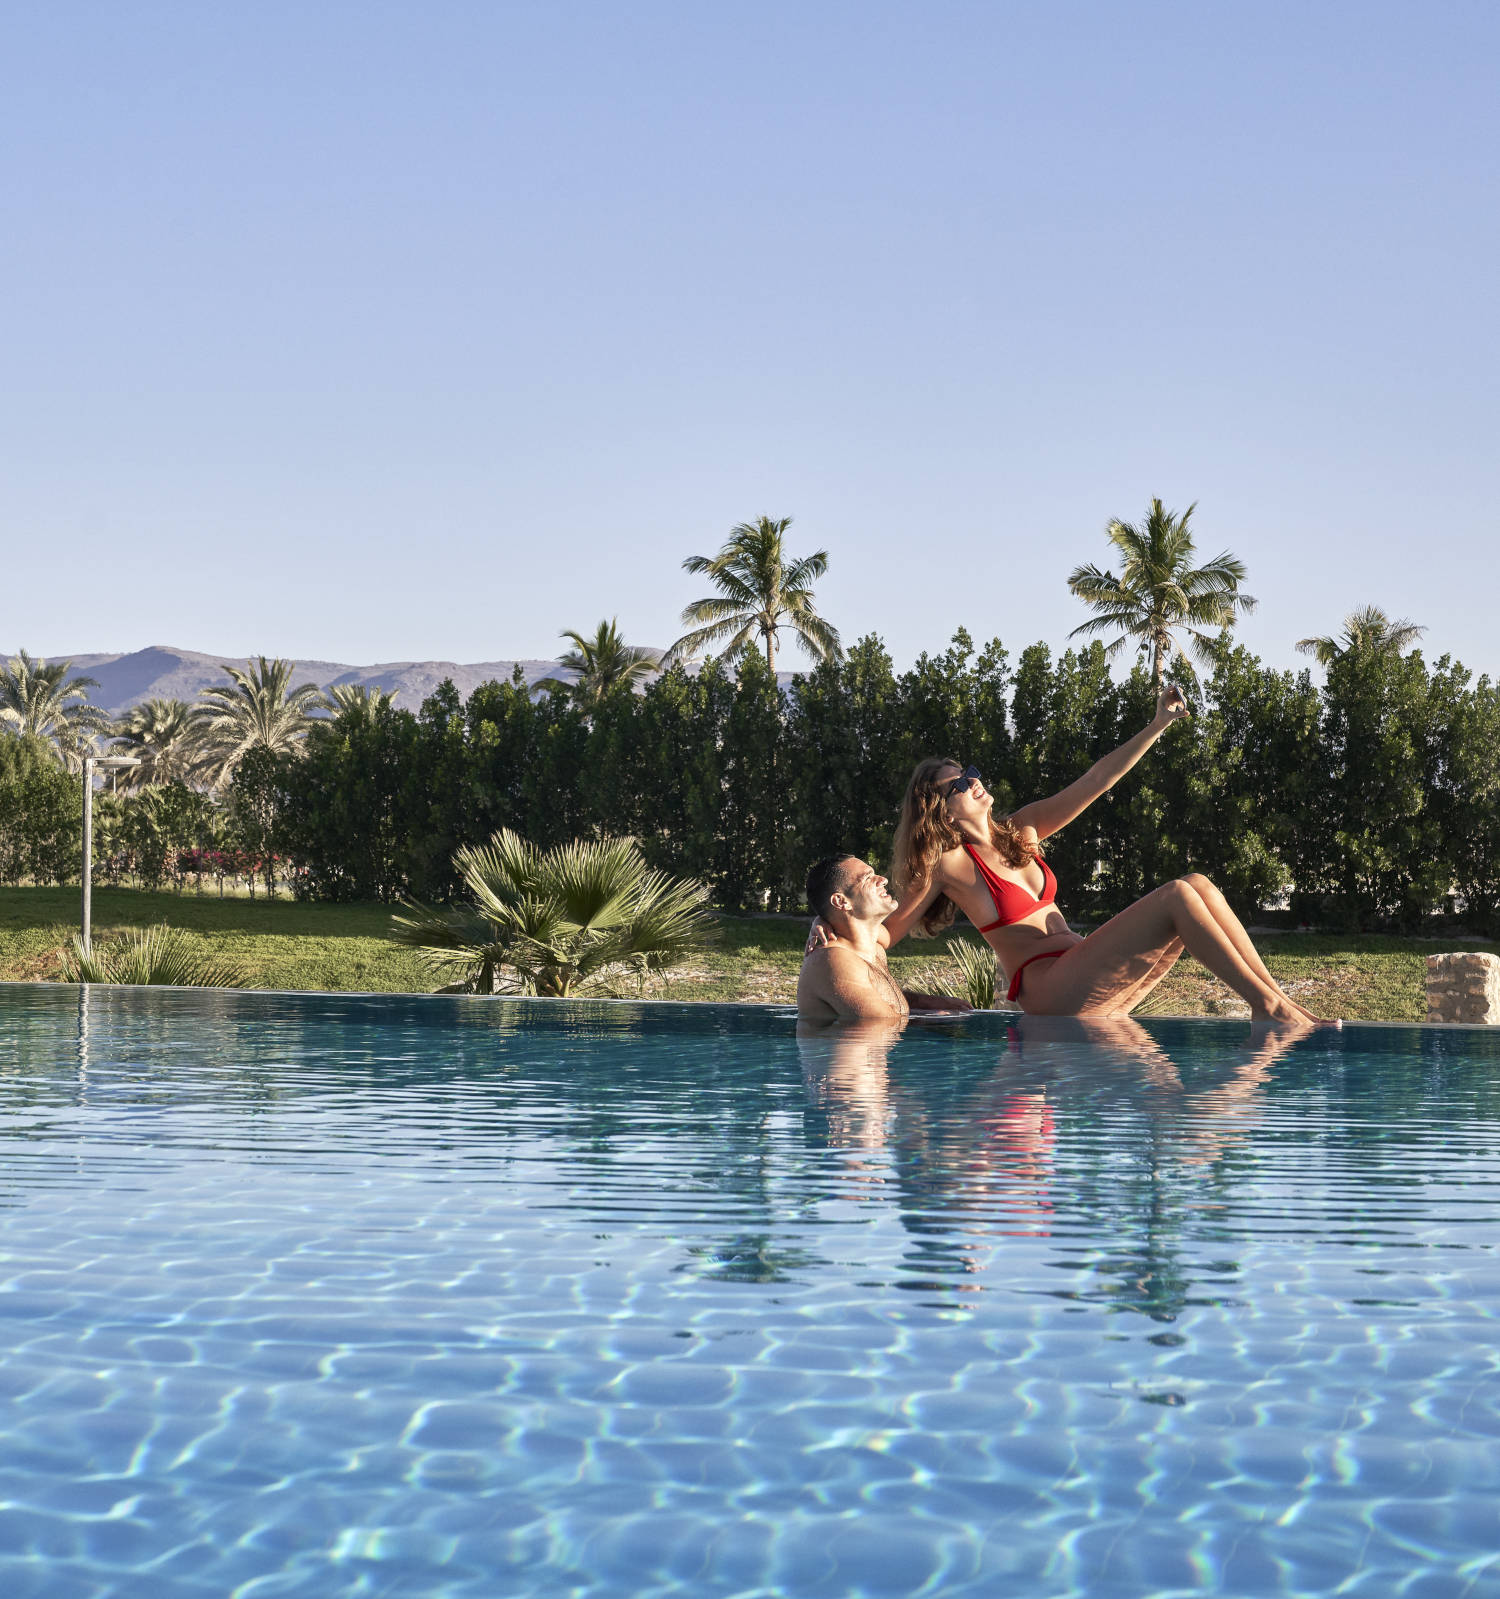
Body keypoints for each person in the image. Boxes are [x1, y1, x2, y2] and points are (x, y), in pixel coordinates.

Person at [814, 684, 1334, 1025]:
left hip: (1081, 970)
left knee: (1198, 884)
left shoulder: (1023, 829)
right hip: (1050, 990)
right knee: (1177, 894)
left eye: (973, 774)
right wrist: (827, 929)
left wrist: (1157, 725)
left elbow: (1097, 781)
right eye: (961, 783)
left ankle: (1280, 1003)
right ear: (941, 811)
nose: (976, 783)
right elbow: (884, 932)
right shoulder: (950, 866)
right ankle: (1269, 1008)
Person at [797, 854, 971, 1022]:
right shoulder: (834, 960)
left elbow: (878, 1002)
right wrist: (935, 1020)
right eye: (867, 878)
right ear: (841, 902)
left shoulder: (874, 949)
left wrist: (925, 1003)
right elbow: (882, 1025)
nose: (883, 880)